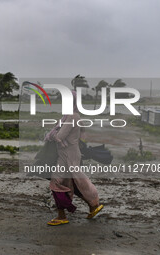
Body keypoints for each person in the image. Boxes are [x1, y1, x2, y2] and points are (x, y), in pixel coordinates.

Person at [45, 91, 103, 226]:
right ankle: (93, 205)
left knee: (57, 182)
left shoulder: (71, 116)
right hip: (69, 153)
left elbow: (60, 136)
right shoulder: (71, 116)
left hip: (68, 156)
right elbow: (82, 134)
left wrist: (51, 134)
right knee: (73, 183)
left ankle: (62, 215)